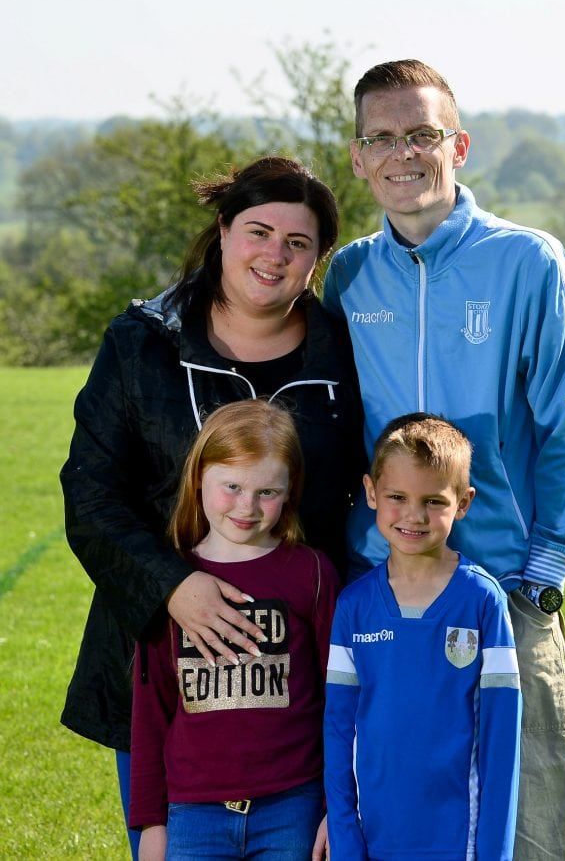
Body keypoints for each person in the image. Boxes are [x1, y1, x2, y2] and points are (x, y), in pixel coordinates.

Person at [323, 61, 565, 860]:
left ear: (459, 145)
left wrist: (544, 567)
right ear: (357, 157)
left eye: (422, 134)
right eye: (382, 137)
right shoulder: (348, 273)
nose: (402, 154)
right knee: (397, 809)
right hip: (385, 591)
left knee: (533, 818)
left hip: (507, 584)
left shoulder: (526, 262)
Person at [60, 156, 362, 856]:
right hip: (164, 664)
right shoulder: (142, 343)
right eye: (258, 231)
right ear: (223, 231)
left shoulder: (342, 355)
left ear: (317, 259)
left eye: (298, 243)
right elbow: (91, 494)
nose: (274, 255)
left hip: (295, 686)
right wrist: (173, 586)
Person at [129, 399, 337, 861]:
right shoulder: (170, 578)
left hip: (292, 806)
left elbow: (339, 700)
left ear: (289, 491)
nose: (247, 506)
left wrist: (334, 807)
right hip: (193, 814)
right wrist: (150, 823)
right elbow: (150, 711)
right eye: (232, 486)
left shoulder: (310, 572)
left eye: (267, 492)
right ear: (199, 475)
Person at [324, 413, 522, 860]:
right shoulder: (353, 606)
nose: (414, 515)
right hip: (372, 838)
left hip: (459, 839)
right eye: (397, 496)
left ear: (464, 503)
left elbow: (502, 743)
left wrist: (494, 851)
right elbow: (338, 732)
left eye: (434, 501)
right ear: (371, 493)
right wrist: (345, 838)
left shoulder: (482, 600)